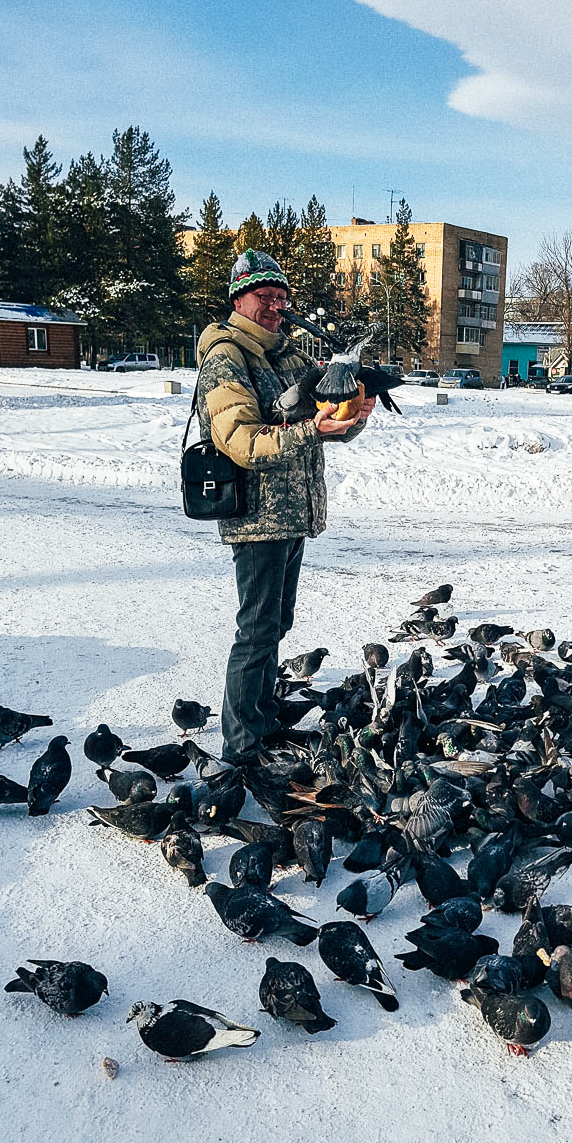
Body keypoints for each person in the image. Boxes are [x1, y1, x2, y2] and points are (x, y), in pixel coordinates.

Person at [196, 249, 376, 766]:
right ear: (238, 297)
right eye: (264, 296)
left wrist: (354, 412)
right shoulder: (227, 357)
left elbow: (327, 424)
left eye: (281, 297)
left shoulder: (292, 355)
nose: (275, 305)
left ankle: (266, 722)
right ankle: (243, 746)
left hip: (292, 512)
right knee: (255, 630)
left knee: (277, 624)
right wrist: (310, 429)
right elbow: (241, 440)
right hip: (256, 515)